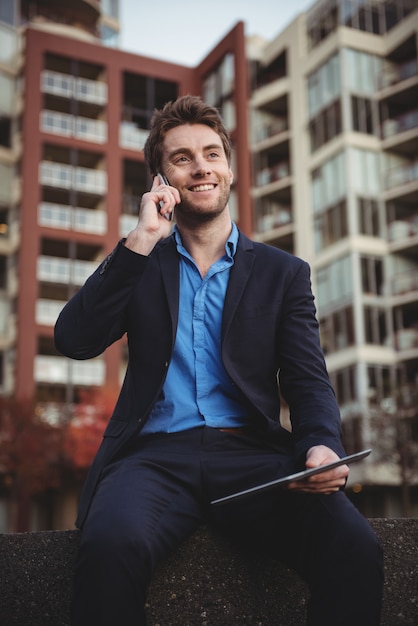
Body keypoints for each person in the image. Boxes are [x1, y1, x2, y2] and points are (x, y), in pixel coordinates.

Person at [55, 95, 383, 626]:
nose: (201, 166)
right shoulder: (140, 262)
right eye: (182, 158)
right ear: (162, 181)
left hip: (252, 457)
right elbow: (73, 339)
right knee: (109, 547)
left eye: (211, 153)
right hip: (154, 459)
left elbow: (307, 380)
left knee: (355, 548)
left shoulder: (284, 273)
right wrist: (139, 240)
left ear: (228, 168)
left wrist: (322, 445)